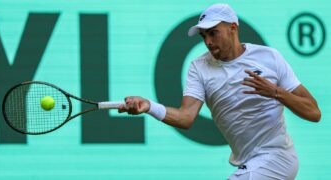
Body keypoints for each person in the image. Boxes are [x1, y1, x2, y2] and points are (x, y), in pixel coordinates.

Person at [118, 3, 321, 180]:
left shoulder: (270, 57)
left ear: (233, 28)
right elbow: (185, 117)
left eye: (213, 32)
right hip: (248, 162)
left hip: (278, 157)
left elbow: (314, 112)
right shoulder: (199, 68)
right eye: (203, 35)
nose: (207, 41)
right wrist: (149, 106)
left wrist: (276, 92)